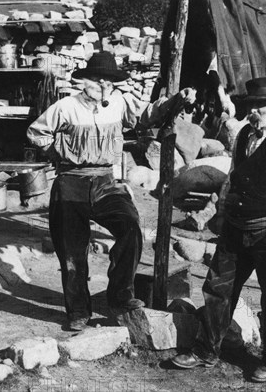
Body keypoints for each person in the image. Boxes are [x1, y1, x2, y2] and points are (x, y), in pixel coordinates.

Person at [27, 52, 195, 331]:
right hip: (71, 180)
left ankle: (120, 297)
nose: (103, 83)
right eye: (97, 78)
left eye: (108, 79)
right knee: (71, 251)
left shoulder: (119, 103)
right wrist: (59, 151)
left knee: (130, 227)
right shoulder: (65, 107)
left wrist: (178, 99)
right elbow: (36, 133)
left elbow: (148, 114)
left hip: (106, 181)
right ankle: (79, 311)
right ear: (85, 80)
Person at [171, 77, 266, 383]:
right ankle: (206, 349)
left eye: (261, 106)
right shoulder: (244, 136)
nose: (253, 112)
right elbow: (233, 179)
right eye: (251, 106)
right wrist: (221, 215)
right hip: (235, 230)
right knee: (217, 289)